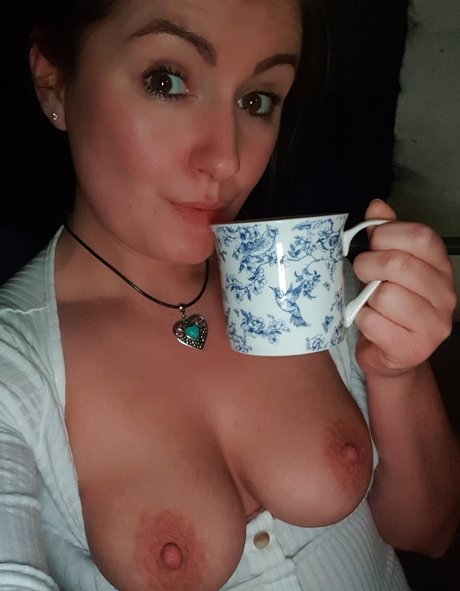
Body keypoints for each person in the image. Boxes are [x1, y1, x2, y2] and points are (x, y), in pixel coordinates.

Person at [1, 1, 459, 590]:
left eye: (257, 100)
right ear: (54, 82)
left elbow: (429, 531)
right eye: (166, 81)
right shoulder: (16, 371)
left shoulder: (303, 281)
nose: (227, 159)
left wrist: (399, 373)